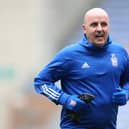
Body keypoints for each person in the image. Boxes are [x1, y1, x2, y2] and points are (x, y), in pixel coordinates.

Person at [33, 8, 129, 129]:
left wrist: (126, 93)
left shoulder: (119, 52)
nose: (99, 29)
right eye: (94, 24)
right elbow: (41, 82)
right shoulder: (69, 54)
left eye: (103, 24)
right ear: (84, 28)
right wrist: (65, 99)